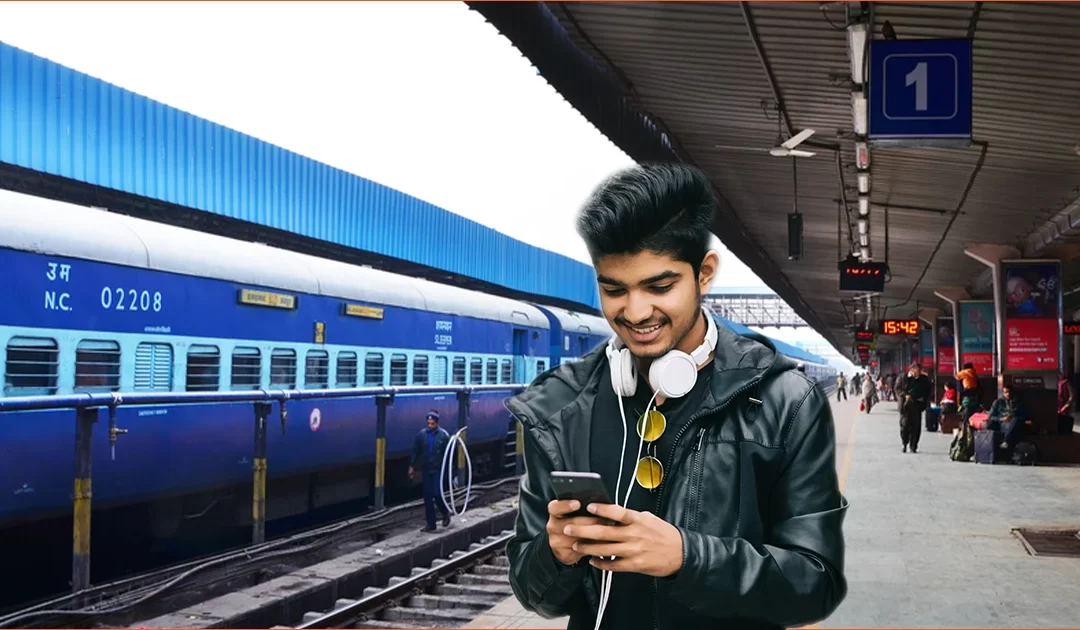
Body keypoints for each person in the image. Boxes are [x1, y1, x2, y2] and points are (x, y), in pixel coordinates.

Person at [503, 164, 847, 630]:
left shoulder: (784, 401)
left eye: (659, 287)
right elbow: (533, 592)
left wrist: (688, 558)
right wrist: (556, 553)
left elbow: (815, 583)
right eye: (614, 289)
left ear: (704, 274)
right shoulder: (560, 405)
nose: (636, 311)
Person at [409, 410, 451, 532]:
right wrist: (412, 466)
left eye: (432, 423)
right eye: (428, 423)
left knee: (437, 494)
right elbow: (416, 452)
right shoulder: (421, 435)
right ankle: (431, 523)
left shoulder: (443, 436)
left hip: (438, 469)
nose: (430, 426)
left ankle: (445, 512)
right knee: (427, 497)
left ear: (437, 423)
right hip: (427, 469)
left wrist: (449, 471)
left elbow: (448, 454)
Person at [896, 363, 931, 453]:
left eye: (920, 371)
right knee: (904, 425)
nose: (918, 373)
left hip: (917, 405)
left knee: (916, 426)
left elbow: (928, 390)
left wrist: (924, 400)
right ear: (911, 370)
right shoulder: (903, 377)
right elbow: (897, 388)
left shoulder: (924, 379)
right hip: (906, 405)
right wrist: (905, 395)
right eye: (917, 371)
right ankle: (904, 443)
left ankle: (913, 446)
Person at [987, 383, 1028, 453]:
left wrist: (1025, 420)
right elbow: (991, 417)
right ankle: (1006, 441)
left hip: (1015, 423)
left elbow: (1024, 415)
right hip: (1003, 423)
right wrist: (1002, 419)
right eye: (1006, 392)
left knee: (1016, 419)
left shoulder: (1018, 403)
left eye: (1009, 392)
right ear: (1003, 393)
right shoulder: (998, 402)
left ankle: (1006, 441)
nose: (1008, 394)